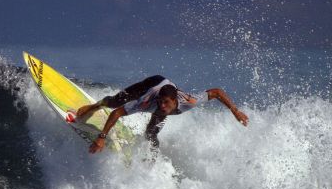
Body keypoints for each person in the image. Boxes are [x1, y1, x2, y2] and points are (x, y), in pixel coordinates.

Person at [77, 75, 248, 154]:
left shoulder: (189, 101)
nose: (163, 106)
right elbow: (116, 113)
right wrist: (102, 137)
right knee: (115, 102)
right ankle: (96, 105)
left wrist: (235, 110)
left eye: (166, 103)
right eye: (161, 102)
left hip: (166, 90)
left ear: (175, 101)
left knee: (151, 134)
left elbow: (216, 92)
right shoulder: (147, 101)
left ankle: (151, 161)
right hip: (152, 83)